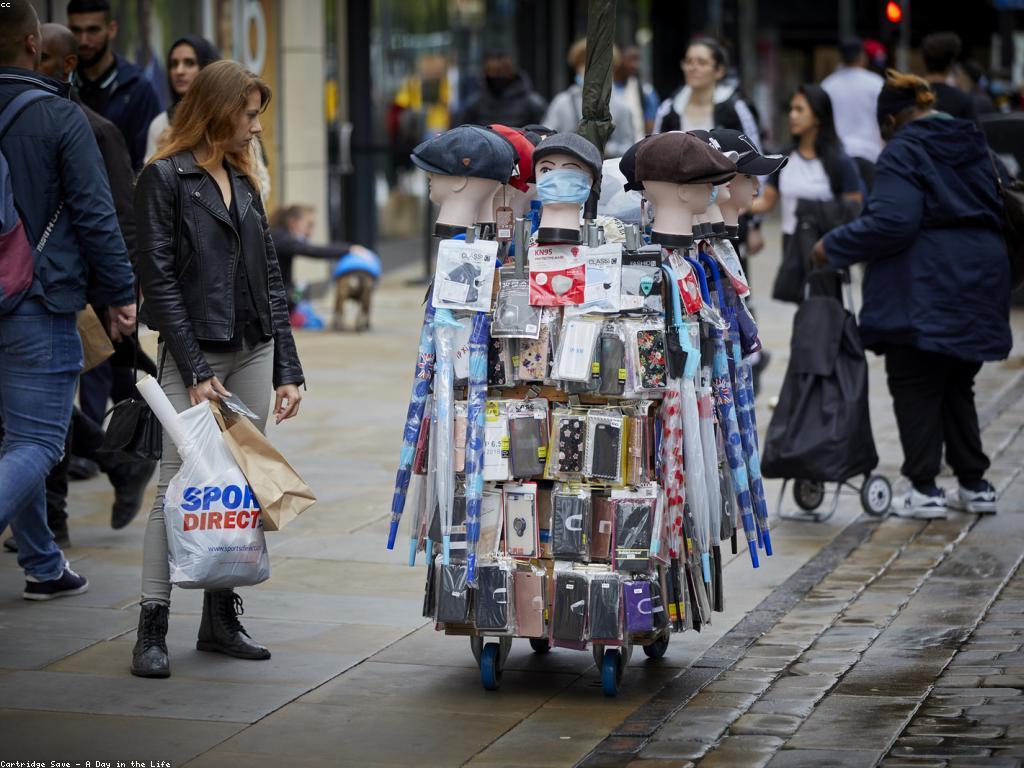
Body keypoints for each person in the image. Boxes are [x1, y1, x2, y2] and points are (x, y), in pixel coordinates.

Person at [132, 59, 304, 678]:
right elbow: (160, 283)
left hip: (254, 349)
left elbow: (272, 283)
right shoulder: (164, 178)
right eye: (249, 113)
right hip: (195, 354)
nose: (256, 127)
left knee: (235, 486)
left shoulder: (244, 182)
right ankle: (152, 625)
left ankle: (218, 619)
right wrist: (197, 366)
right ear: (218, 111)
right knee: (176, 487)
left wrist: (288, 366)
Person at [813, 71, 1011, 519]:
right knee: (958, 379)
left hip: (928, 282)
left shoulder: (905, 148)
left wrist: (831, 247)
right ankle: (974, 484)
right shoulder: (974, 142)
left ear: (889, 120)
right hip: (980, 275)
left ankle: (924, 488)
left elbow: (893, 221)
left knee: (916, 380)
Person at [0, 0, 136, 599]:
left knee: (14, 437)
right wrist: (119, 294)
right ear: (33, 45)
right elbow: (94, 215)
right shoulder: (59, 117)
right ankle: (42, 560)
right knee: (39, 441)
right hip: (36, 301)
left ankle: (43, 563)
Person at [751, 84, 862, 293]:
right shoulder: (784, 157)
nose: (792, 115)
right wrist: (733, 203)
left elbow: (854, 206)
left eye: (800, 110)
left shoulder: (839, 160)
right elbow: (766, 201)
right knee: (803, 308)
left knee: (826, 308)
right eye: (791, 109)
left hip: (825, 245)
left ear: (818, 116)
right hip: (792, 244)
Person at [67, 0, 162, 171]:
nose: (83, 40)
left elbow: (149, 164)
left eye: (93, 30)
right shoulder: (62, 84)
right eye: (76, 31)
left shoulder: (138, 88)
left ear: (112, 29)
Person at [653, 37, 761, 149]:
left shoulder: (735, 108)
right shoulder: (668, 109)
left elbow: (754, 150)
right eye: (688, 61)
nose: (693, 68)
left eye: (702, 62)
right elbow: (655, 150)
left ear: (719, 71)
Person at [544, 39, 636, 158]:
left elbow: (629, 148)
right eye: (584, 64)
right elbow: (546, 139)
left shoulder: (621, 106)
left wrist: (603, 148)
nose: (590, 70)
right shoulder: (562, 102)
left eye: (598, 65)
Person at [269, 204, 376, 305]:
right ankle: (290, 315)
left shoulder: (279, 235)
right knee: (300, 290)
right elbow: (314, 250)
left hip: (273, 292)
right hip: (272, 296)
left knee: (299, 289)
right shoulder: (282, 238)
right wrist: (349, 249)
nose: (311, 232)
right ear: (293, 222)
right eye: (309, 225)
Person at [822, 37, 884, 190]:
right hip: (870, 155)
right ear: (862, 56)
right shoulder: (876, 83)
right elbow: (885, 121)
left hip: (838, 156)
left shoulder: (828, 85)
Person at [145, 35, 220, 161]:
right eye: (173, 64)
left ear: (207, 67)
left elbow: (256, 176)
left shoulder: (228, 118)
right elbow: (148, 178)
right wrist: (162, 154)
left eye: (189, 63)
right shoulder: (160, 125)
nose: (179, 71)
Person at [456, 50, 547, 128]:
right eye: (492, 72)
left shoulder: (532, 103)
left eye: (501, 71)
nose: (497, 76)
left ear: (511, 71)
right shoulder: (475, 103)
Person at [921, 32, 977, 123]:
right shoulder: (963, 100)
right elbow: (976, 135)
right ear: (951, 64)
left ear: (924, 61)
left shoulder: (909, 97)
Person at [615, 45, 659, 137]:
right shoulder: (605, 89)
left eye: (637, 60)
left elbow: (651, 128)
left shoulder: (646, 91)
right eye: (630, 59)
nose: (634, 65)